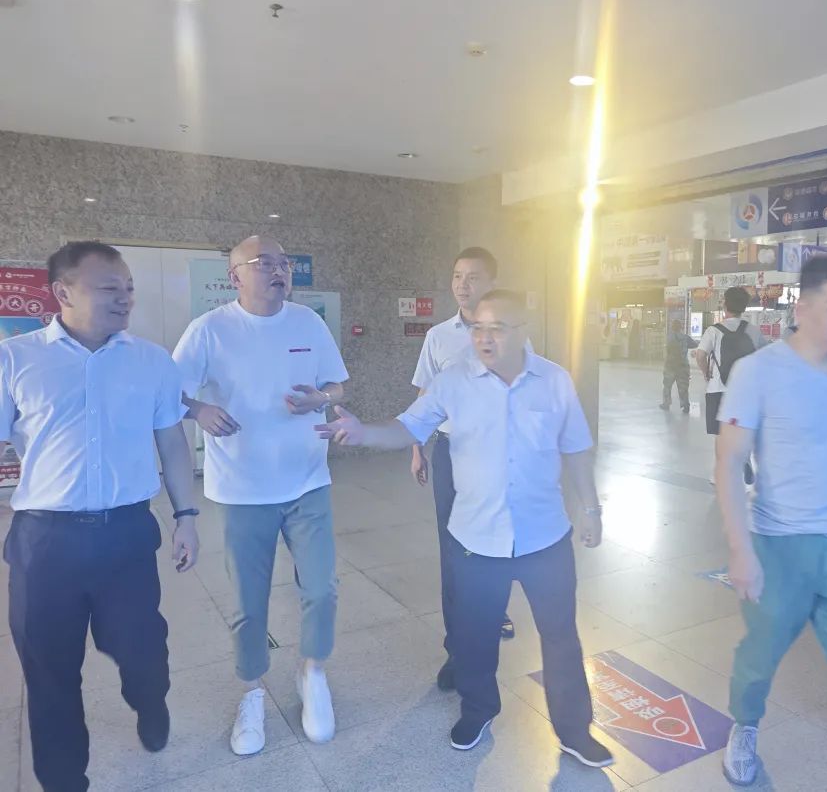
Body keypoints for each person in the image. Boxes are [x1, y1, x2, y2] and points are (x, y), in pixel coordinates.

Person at [316, 290, 614, 768]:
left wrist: (591, 508)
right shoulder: (453, 381)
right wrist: (364, 431)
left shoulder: (555, 381)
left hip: (545, 537)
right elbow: (408, 427)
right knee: (475, 637)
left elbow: (576, 449)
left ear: (522, 330)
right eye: (477, 328)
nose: (484, 338)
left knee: (560, 635)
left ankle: (574, 730)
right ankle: (478, 711)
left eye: (496, 329)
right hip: (476, 539)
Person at [1, 241, 200, 792]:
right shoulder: (15, 359)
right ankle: (64, 779)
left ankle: (150, 704)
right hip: (44, 542)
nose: (125, 297)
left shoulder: (152, 361)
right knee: (48, 671)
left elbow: (172, 443)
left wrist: (186, 515)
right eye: (109, 288)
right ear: (62, 292)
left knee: (143, 653)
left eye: (129, 288)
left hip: (126, 536)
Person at [715, 255, 827, 791]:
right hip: (780, 548)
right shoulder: (758, 371)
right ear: (802, 308)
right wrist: (740, 550)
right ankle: (745, 724)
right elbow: (729, 461)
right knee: (759, 657)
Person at [173, 235, 349, 756]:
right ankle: (251, 692)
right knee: (249, 603)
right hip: (242, 488)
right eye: (264, 263)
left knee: (322, 589)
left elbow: (337, 386)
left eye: (284, 263)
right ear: (234, 276)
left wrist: (322, 398)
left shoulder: (308, 323)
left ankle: (312, 672)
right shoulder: (209, 330)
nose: (279, 271)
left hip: (307, 481)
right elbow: (168, 389)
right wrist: (198, 410)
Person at [409, 247, 517, 692]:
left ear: (491, 283)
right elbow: (424, 396)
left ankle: (487, 628)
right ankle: (457, 651)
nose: (462, 285)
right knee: (453, 553)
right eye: (457, 276)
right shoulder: (438, 336)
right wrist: (417, 447)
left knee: (491, 550)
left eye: (472, 277)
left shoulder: (512, 333)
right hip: (450, 453)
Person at [695, 287, 764, 484]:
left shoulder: (714, 331)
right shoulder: (753, 330)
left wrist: (706, 373)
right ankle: (744, 457)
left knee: (720, 433)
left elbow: (700, 355)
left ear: (725, 304)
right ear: (744, 306)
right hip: (745, 390)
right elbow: (764, 357)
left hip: (718, 388)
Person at [660, 318, 696, 412]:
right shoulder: (685, 337)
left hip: (670, 365)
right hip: (683, 365)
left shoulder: (669, 337)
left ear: (672, 327)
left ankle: (666, 403)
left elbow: (667, 349)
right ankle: (685, 405)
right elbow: (694, 344)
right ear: (681, 327)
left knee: (667, 385)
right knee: (683, 387)